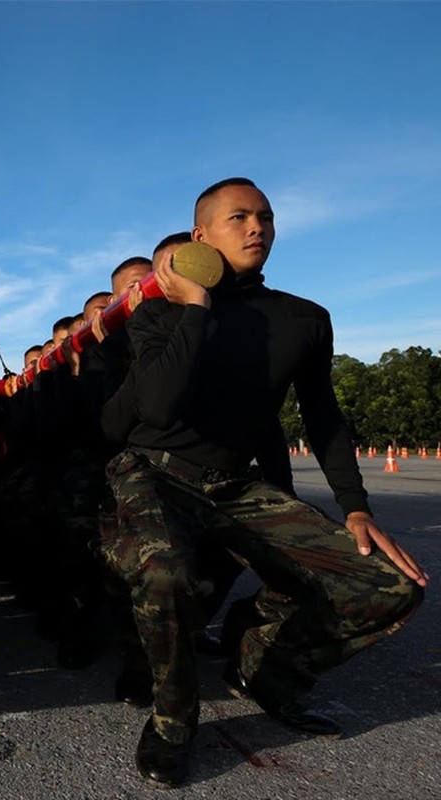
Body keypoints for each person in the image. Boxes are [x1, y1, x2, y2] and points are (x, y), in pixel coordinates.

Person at [100, 178, 427, 788]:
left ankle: (266, 670)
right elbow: (161, 408)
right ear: (201, 235)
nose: (257, 228)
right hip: (154, 472)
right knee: (166, 572)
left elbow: (324, 418)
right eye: (240, 217)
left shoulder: (304, 319)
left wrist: (356, 508)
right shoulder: (158, 310)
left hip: (234, 485)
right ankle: (173, 720)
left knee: (390, 586)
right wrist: (195, 306)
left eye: (267, 217)